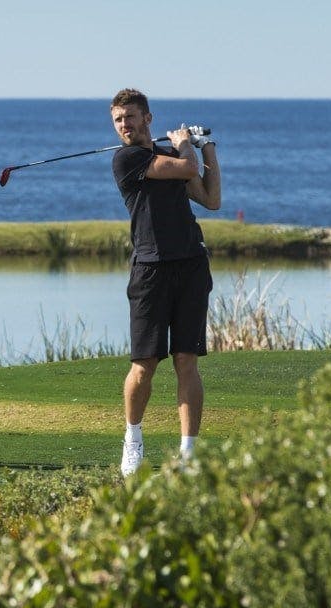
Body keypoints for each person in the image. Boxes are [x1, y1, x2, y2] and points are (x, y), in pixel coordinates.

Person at [109, 88, 221, 475]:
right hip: (150, 270)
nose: (125, 125)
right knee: (144, 365)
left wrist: (207, 149)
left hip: (190, 265)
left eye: (131, 117)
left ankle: (188, 453)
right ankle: (133, 440)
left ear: (147, 119)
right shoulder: (126, 160)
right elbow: (187, 170)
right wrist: (186, 145)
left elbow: (210, 199)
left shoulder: (173, 156)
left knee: (187, 361)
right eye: (119, 119)